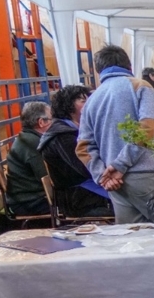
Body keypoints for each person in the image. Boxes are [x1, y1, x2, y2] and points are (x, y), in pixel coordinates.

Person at [77, 45, 154, 225]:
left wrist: (102, 176)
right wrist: (120, 164)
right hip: (146, 176)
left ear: (99, 71)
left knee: (131, 240)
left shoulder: (91, 100)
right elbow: (147, 128)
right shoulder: (140, 87)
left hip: (116, 184)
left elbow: (84, 146)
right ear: (129, 66)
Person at [39, 85, 114, 218]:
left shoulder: (75, 130)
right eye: (83, 101)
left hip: (86, 194)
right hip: (79, 200)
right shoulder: (62, 136)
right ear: (68, 106)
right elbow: (86, 168)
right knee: (130, 205)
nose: (90, 103)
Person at [4, 101, 52, 215]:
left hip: (26, 198)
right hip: (29, 203)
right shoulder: (33, 144)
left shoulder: (26, 138)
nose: (53, 123)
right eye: (51, 119)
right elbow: (49, 178)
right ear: (41, 122)